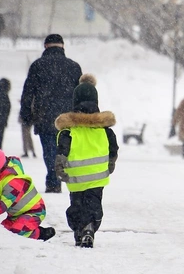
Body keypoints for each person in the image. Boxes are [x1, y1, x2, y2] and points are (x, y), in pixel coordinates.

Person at [54, 74, 118, 248]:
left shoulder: (69, 131)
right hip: (97, 178)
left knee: (77, 205)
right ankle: (89, 227)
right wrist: (111, 162)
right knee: (94, 205)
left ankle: (78, 229)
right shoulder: (104, 130)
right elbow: (113, 147)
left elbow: (63, 149)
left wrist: (59, 165)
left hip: (75, 178)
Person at [20, 34, 82, 193]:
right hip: (67, 118)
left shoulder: (38, 66)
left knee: (49, 150)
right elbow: (80, 94)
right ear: (63, 46)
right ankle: (61, 175)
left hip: (44, 116)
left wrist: (26, 115)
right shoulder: (74, 67)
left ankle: (53, 180)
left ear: (45, 46)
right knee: (64, 149)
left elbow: (28, 92)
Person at [0, 144, 55, 241]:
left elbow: (1, 207)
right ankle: (28, 230)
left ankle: (41, 233)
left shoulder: (13, 183)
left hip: (34, 212)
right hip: (15, 215)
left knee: (17, 232)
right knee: (2, 232)